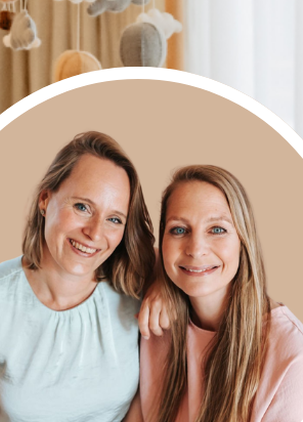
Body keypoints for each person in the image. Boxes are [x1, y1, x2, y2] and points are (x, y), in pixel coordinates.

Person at [0, 131, 155, 422]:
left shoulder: (136, 291)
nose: (95, 233)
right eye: (82, 207)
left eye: (114, 219)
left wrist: (164, 289)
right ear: (45, 199)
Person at [125, 166, 303, 422]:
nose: (196, 249)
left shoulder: (292, 357)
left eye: (217, 229)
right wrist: (159, 280)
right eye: (179, 230)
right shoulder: (157, 320)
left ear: (243, 240)